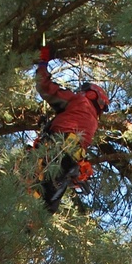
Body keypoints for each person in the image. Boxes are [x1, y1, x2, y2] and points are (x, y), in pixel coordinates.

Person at [33, 45, 110, 212]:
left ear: (91, 94)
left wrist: (43, 63)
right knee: (45, 208)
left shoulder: (79, 102)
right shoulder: (92, 122)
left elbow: (44, 87)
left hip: (53, 150)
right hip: (67, 164)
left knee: (25, 182)